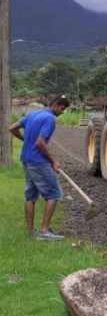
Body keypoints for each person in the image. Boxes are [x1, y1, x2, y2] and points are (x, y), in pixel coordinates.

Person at [9, 95, 70, 240]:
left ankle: (31, 232)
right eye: (63, 109)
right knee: (54, 194)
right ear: (57, 105)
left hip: (26, 159)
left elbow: (12, 128)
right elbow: (40, 143)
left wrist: (25, 140)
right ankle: (44, 231)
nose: (62, 112)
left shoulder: (32, 114)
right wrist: (53, 161)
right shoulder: (49, 119)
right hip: (38, 162)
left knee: (30, 196)